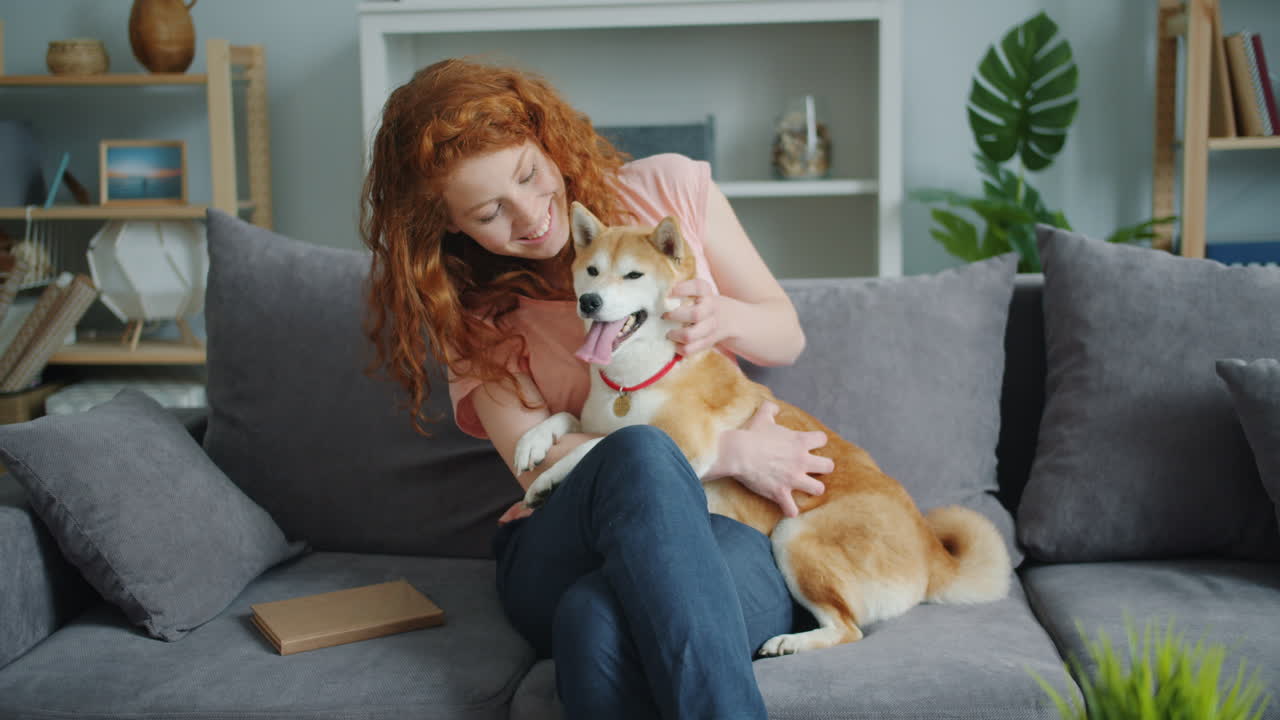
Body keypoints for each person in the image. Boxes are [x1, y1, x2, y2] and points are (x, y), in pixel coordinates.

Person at [361, 57, 833, 719]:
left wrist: (720, 315)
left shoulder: (666, 192)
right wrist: (722, 455)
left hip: (717, 526)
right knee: (639, 455)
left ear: (545, 139)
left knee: (593, 624)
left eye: (529, 175)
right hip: (557, 537)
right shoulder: (472, 312)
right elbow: (539, 462)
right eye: (491, 211)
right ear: (449, 226)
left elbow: (785, 334)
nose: (531, 216)